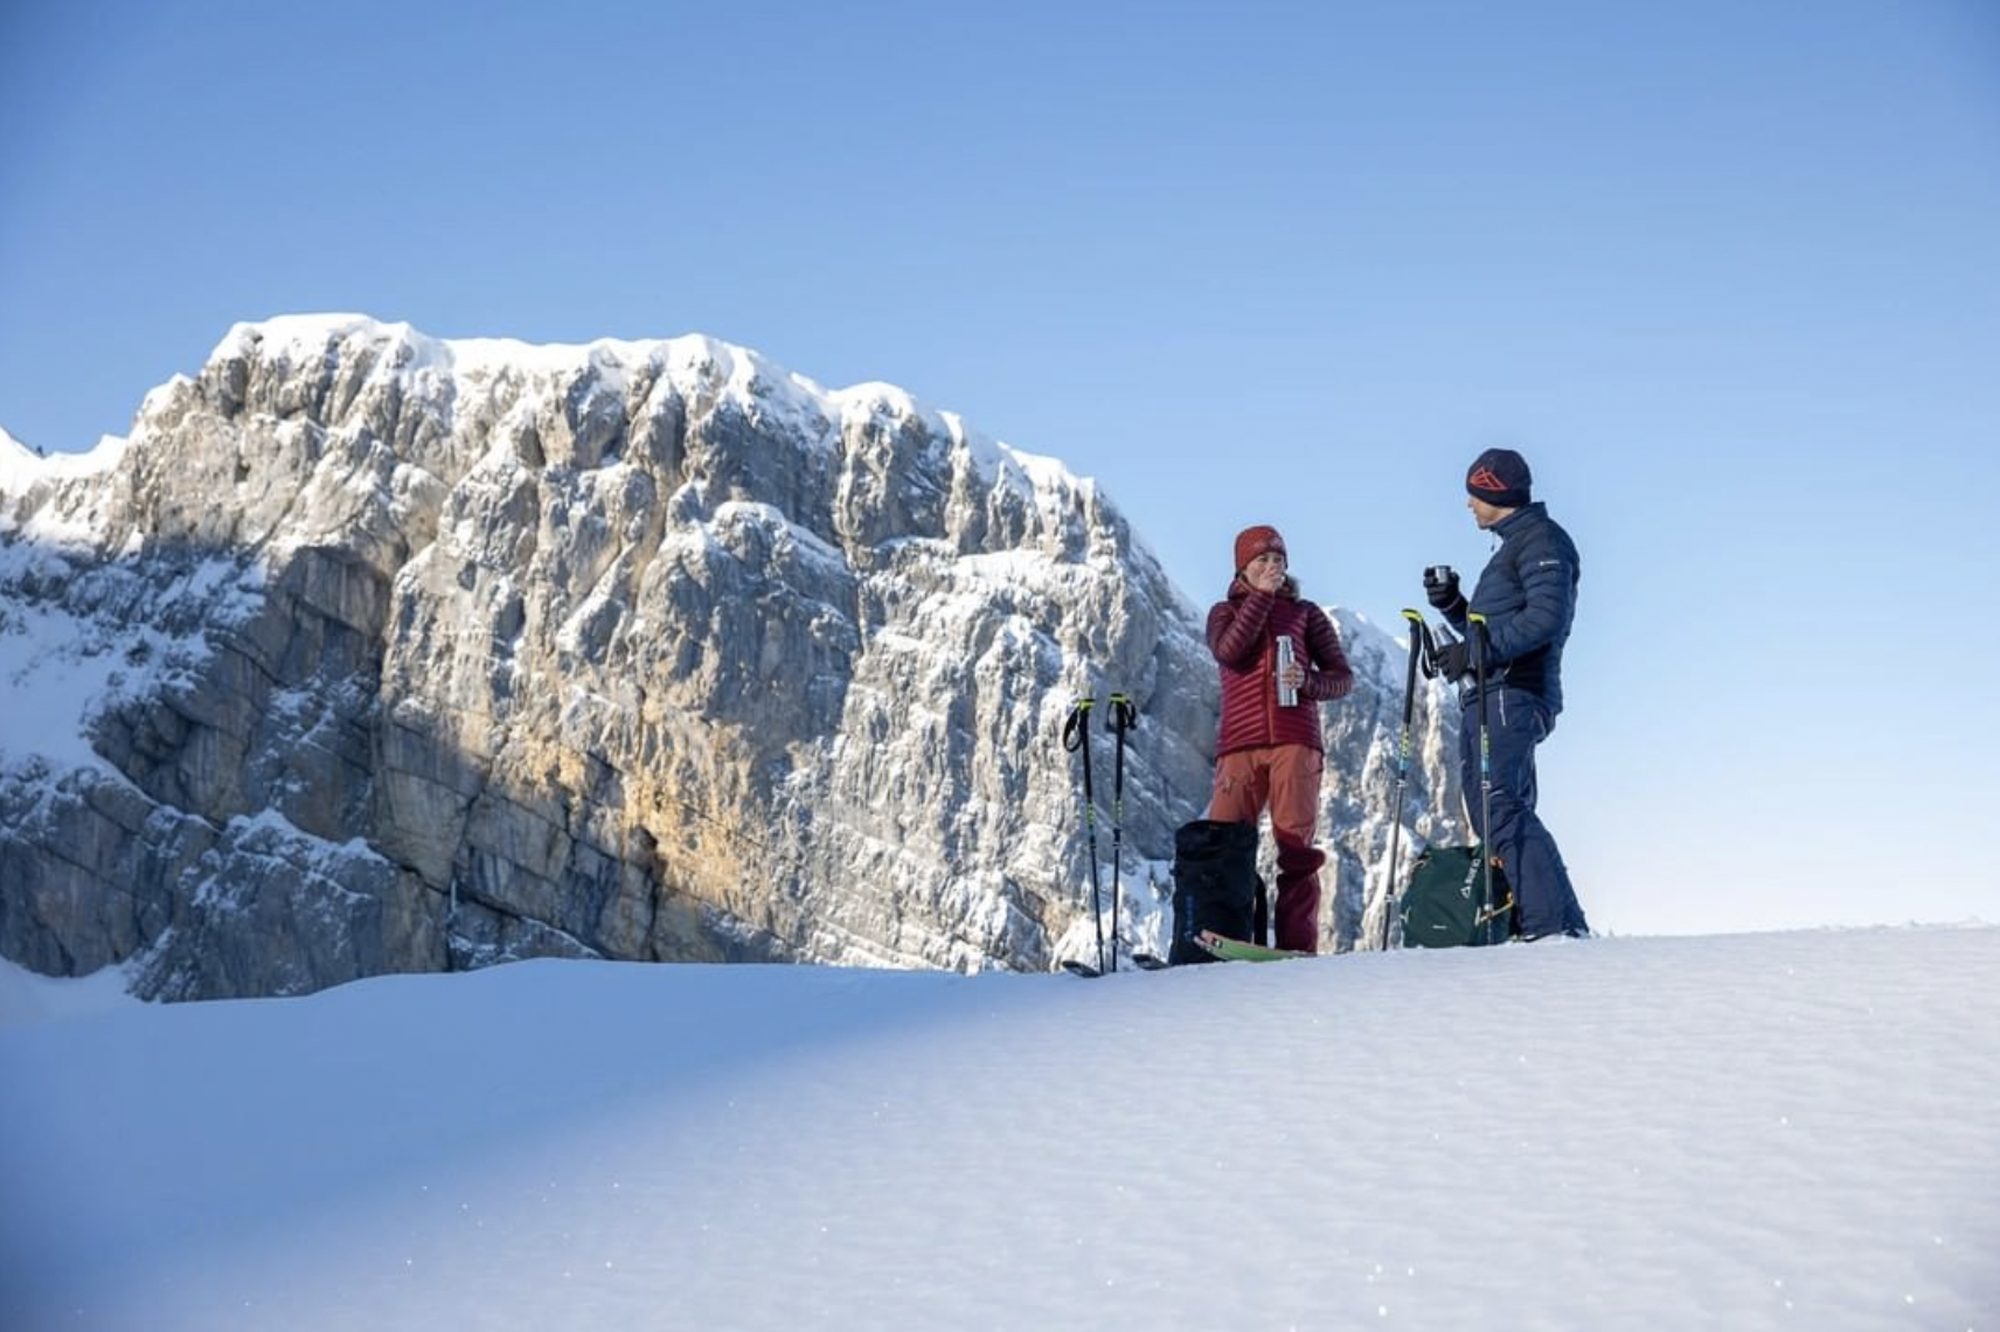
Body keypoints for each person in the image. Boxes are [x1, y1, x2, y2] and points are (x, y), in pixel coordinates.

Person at [1424, 447, 1590, 940]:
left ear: (1495, 490)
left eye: (1474, 494)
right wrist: (1455, 606)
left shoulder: (1542, 541)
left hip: (1513, 690)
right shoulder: (1514, 545)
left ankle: (1546, 927)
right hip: (1492, 690)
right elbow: (1494, 626)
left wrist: (1477, 653)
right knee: (1493, 807)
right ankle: (1562, 926)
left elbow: (1545, 620)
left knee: (1499, 804)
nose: (1468, 505)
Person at [1206, 525, 1355, 952]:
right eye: (1262, 561)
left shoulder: (1306, 614)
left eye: (1278, 561)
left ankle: (1297, 946)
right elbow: (1230, 652)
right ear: (1243, 569)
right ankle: (1224, 938)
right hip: (1239, 745)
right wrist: (1262, 599)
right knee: (1225, 846)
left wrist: (1307, 681)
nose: (1272, 567)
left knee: (1296, 850)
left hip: (1296, 741)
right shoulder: (1224, 612)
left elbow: (1342, 679)